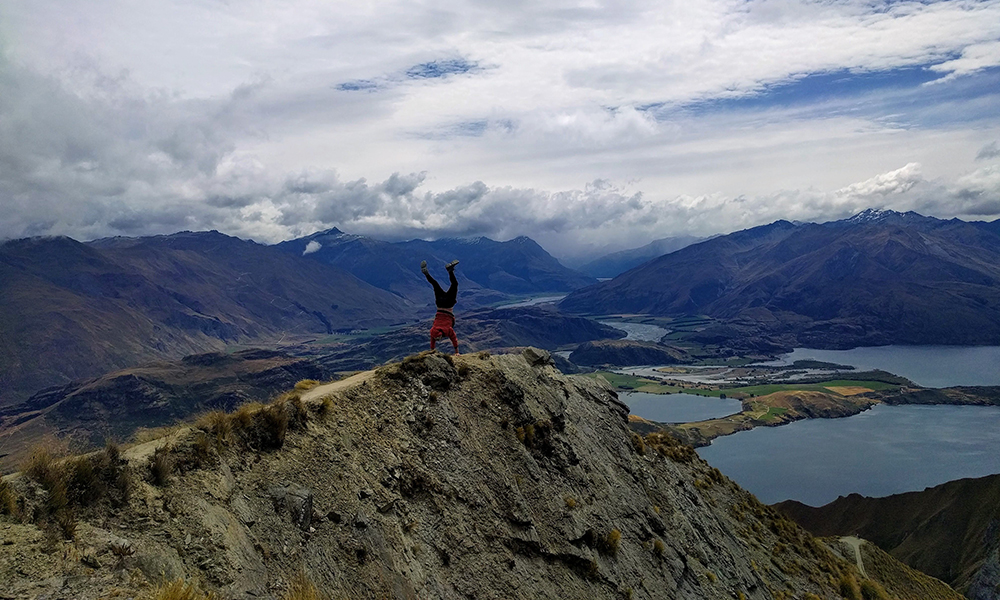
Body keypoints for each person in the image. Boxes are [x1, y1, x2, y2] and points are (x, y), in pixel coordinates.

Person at [422, 259, 460, 354]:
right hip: (439, 304)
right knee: (435, 284)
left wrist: (456, 352)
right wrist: (432, 351)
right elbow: (432, 343)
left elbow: (454, 338)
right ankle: (427, 274)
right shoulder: (433, 331)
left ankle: (450, 270)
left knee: (454, 284)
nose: (437, 339)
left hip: (448, 304)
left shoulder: (447, 330)